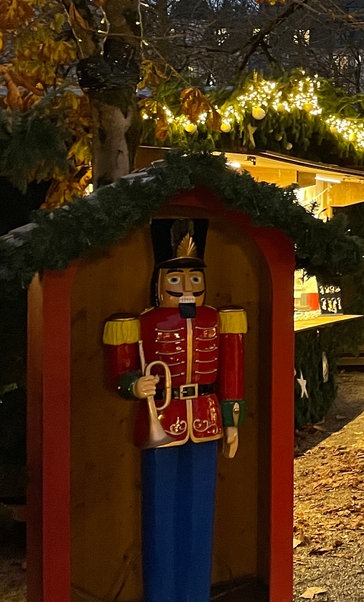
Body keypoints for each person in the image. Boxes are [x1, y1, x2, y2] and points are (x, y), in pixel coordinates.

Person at [102, 219, 245, 601]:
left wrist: (232, 422)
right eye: (176, 280)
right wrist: (134, 384)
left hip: (206, 419)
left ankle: (195, 592)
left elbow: (231, 373)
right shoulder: (141, 322)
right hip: (161, 420)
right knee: (160, 514)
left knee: (201, 513)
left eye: (195, 280)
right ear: (158, 281)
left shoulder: (220, 320)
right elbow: (119, 372)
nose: (186, 288)